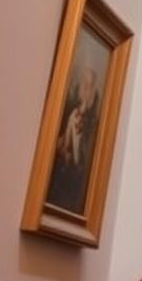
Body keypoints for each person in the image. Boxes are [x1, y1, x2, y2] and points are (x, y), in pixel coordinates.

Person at [47, 63, 102, 213]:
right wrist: (63, 149)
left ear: (93, 91)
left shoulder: (94, 122)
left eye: (89, 85)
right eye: (84, 84)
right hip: (67, 175)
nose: (85, 89)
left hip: (77, 180)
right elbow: (65, 144)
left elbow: (87, 159)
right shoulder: (73, 114)